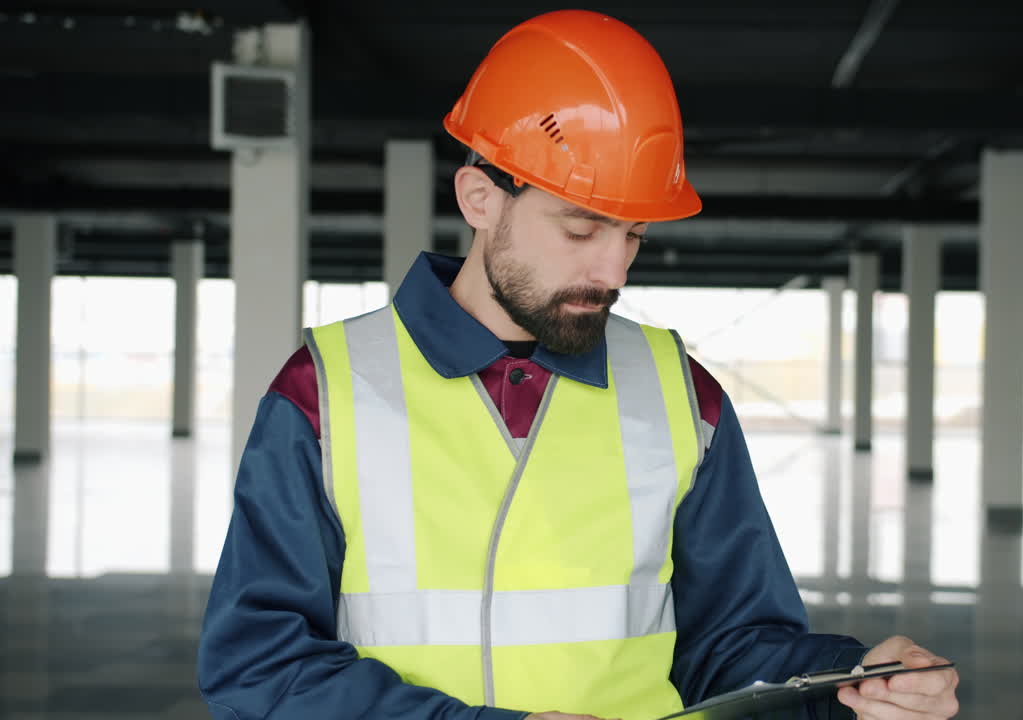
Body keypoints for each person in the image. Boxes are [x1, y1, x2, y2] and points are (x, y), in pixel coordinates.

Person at [197, 9, 959, 720]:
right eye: (580, 228)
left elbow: (728, 644)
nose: (614, 271)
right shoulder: (324, 392)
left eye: (632, 236)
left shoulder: (681, 396)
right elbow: (258, 664)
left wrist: (853, 681)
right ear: (479, 198)